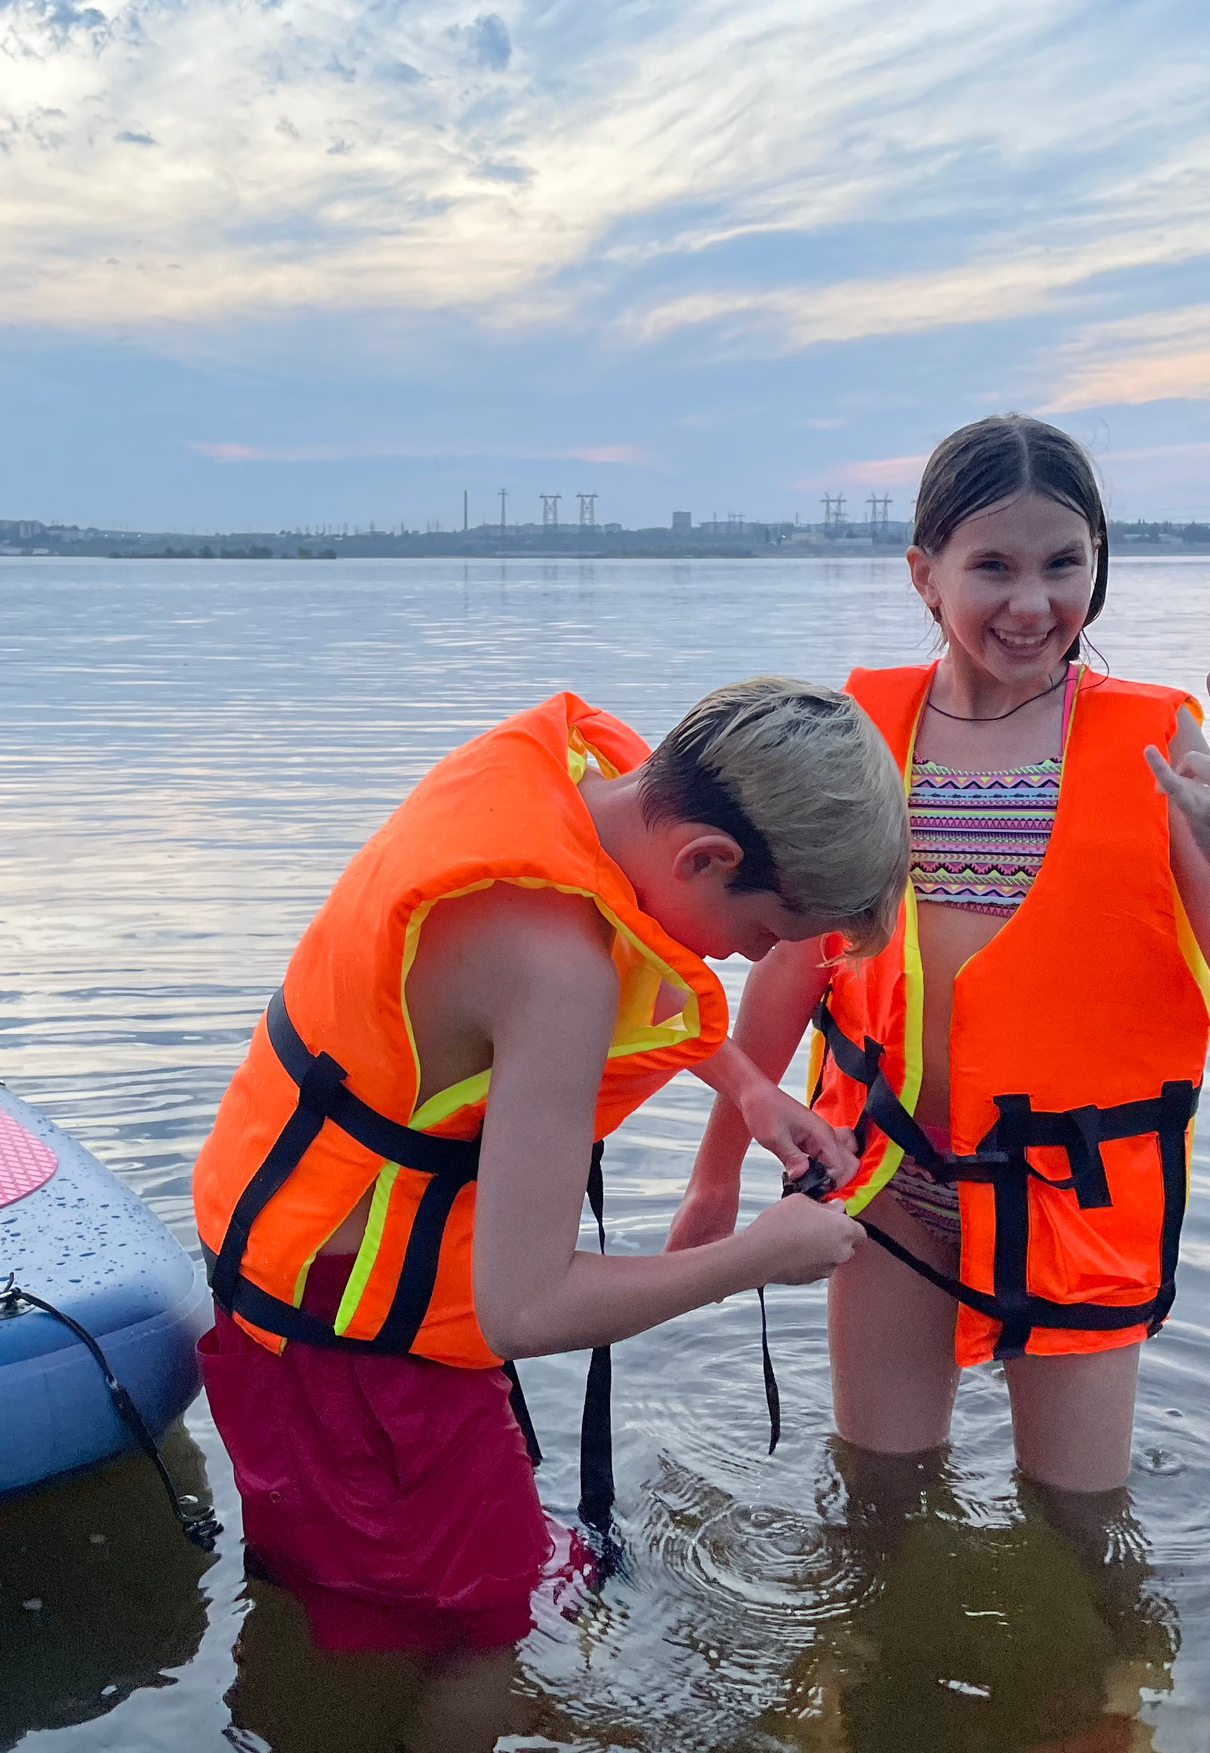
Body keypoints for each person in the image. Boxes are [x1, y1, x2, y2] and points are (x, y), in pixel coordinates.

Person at [192, 677, 902, 1677]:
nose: (759, 962)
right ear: (707, 859)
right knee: (485, 1637)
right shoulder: (554, 974)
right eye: (763, 938)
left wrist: (745, 1085)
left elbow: (612, 914)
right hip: (353, 1352)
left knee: (353, 1596)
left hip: (280, 1263)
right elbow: (526, 1310)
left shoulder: (580, 779)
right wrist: (757, 1255)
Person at [667, 415, 1210, 1493]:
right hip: (889, 1179)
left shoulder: (1162, 747)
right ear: (924, 574)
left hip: (1078, 1191)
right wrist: (715, 1172)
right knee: (876, 1499)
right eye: (992, 566)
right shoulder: (861, 730)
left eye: (1064, 564)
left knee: (1083, 1527)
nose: (1031, 603)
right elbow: (792, 966)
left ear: (1099, 565)